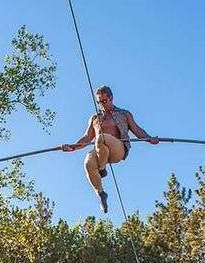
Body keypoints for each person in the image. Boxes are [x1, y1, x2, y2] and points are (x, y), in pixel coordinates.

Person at [61, 85, 158, 213]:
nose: (102, 104)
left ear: (111, 98)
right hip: (101, 151)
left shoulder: (124, 114)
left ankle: (102, 170)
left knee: (101, 138)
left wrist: (149, 139)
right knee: (88, 163)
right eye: (99, 102)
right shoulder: (95, 118)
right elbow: (86, 138)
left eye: (104, 101)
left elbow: (137, 130)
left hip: (117, 149)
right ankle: (101, 194)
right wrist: (72, 147)